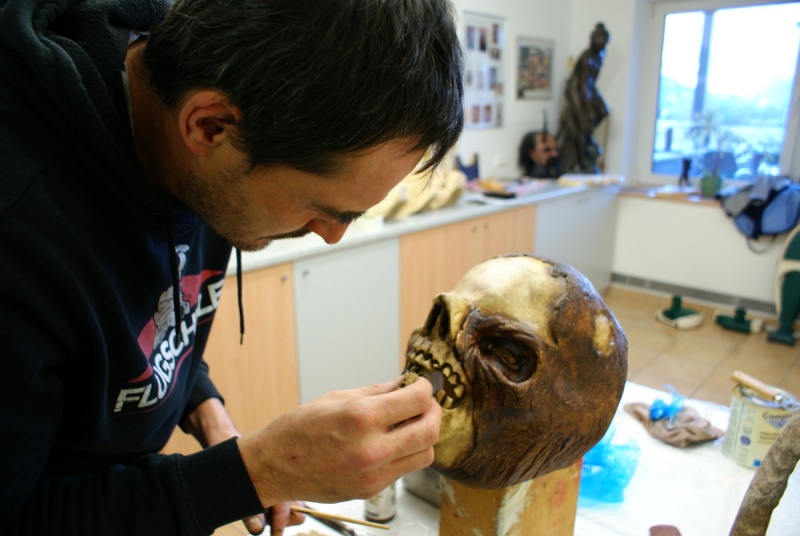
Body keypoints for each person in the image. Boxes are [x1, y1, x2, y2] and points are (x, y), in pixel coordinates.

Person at [0, 0, 463, 535]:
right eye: (320, 207)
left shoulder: (194, 130)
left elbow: (146, 322)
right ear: (210, 127)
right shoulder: (21, 234)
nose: (331, 235)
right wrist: (256, 471)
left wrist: (206, 411)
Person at [557, 22, 610, 173]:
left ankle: (588, 140)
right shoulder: (586, 58)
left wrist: (595, 103)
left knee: (603, 111)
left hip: (589, 87)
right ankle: (581, 158)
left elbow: (591, 82)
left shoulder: (599, 57)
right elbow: (581, 85)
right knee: (582, 123)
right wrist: (587, 106)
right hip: (576, 90)